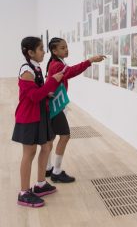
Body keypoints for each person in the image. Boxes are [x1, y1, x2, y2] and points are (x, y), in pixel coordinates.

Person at [12, 37, 64, 207]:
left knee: (47, 146)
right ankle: (24, 193)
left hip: (39, 114)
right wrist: (52, 82)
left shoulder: (36, 67)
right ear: (31, 52)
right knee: (30, 152)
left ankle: (40, 184)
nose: (44, 52)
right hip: (28, 116)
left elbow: (38, 91)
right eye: (41, 49)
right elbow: (34, 96)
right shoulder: (27, 70)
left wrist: (47, 92)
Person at [45, 37, 106, 183]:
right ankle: (56, 172)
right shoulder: (56, 65)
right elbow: (71, 72)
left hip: (53, 104)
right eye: (62, 48)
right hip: (55, 106)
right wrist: (90, 60)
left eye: (66, 47)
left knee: (51, 138)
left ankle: (47, 169)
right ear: (54, 51)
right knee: (64, 136)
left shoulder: (57, 63)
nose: (66, 50)